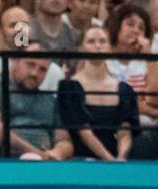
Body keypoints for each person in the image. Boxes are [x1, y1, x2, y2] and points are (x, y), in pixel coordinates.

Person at [0, 43, 73, 159]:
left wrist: (56, 154)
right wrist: (37, 154)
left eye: (42, 70)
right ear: (16, 60)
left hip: (40, 167)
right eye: (30, 65)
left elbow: (65, 141)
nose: (34, 73)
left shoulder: (49, 100)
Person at [58, 25, 139, 160]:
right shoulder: (68, 86)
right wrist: (108, 160)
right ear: (82, 48)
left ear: (109, 47)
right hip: (81, 159)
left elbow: (125, 130)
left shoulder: (124, 89)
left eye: (102, 41)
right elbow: (83, 131)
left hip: (116, 158)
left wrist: (121, 157)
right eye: (91, 41)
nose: (97, 46)